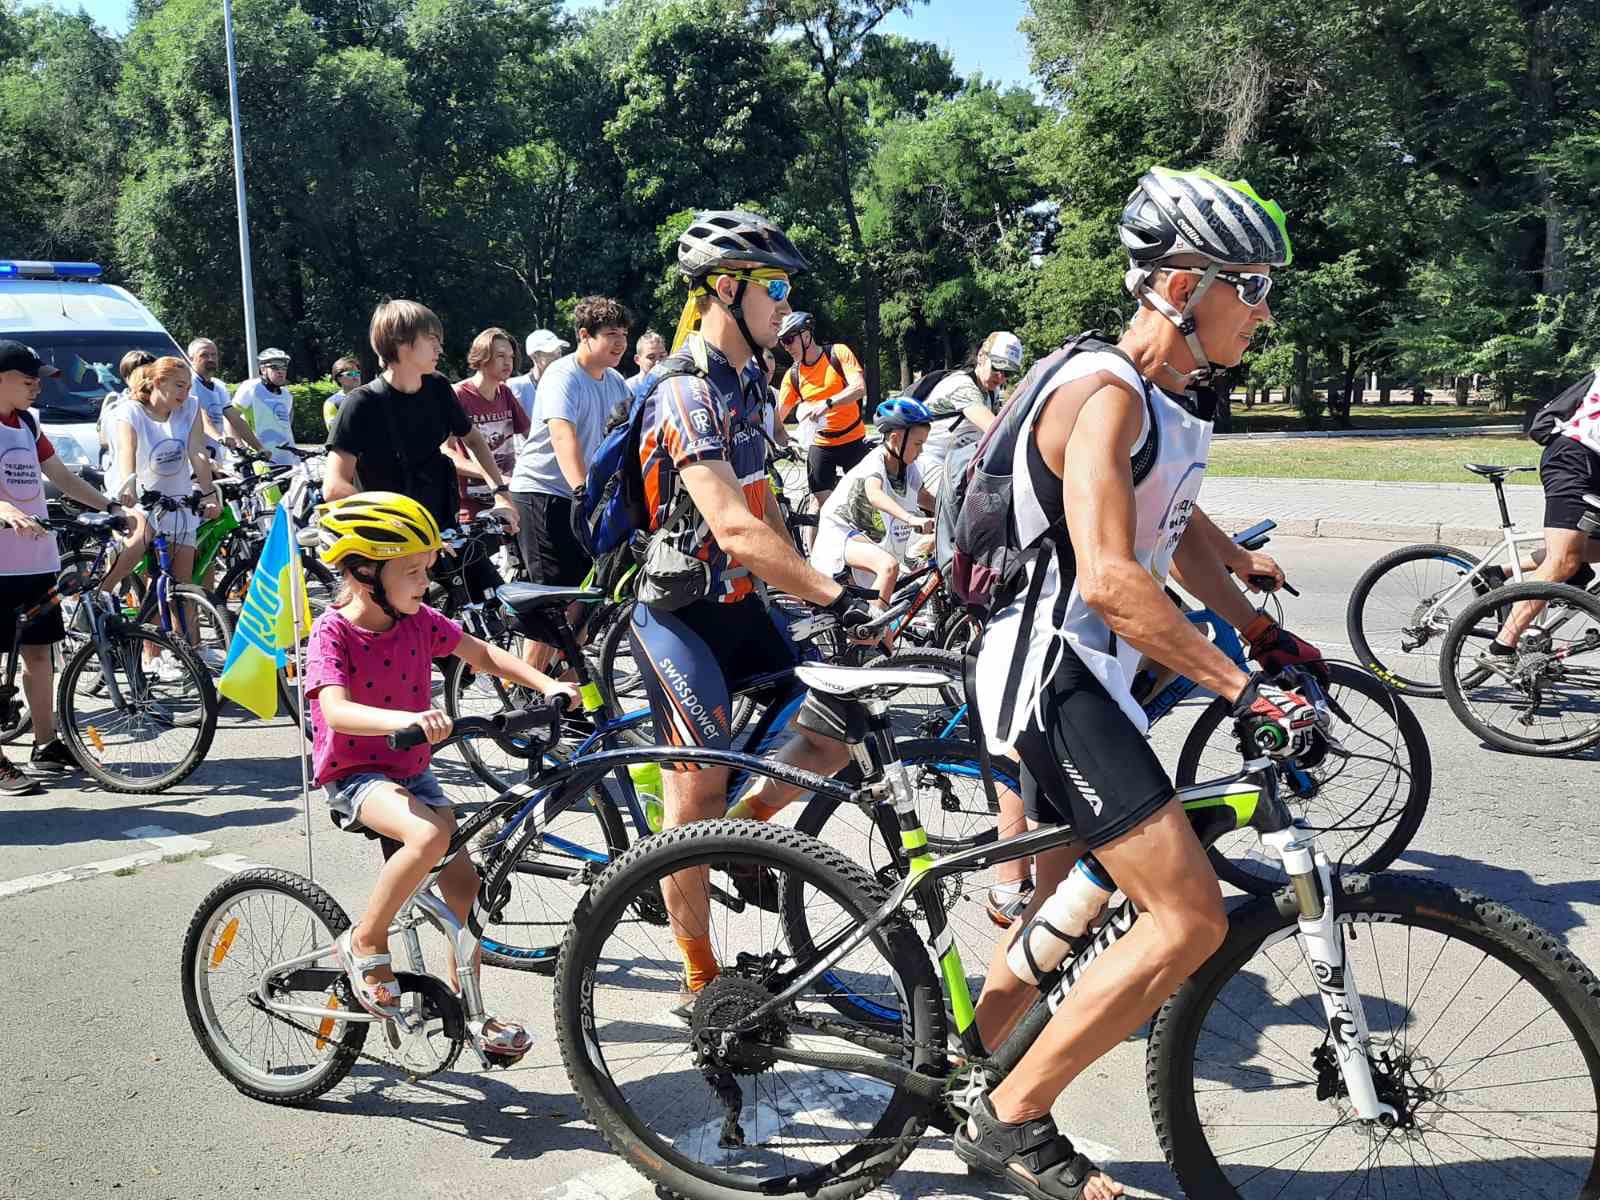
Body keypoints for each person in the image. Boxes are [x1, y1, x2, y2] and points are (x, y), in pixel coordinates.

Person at [957, 168, 1325, 1200]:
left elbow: (1178, 533)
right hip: (1051, 678)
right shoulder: (1102, 395)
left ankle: (960, 1071)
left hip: (1096, 678)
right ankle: (1012, 1116)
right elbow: (1116, 580)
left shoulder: (1164, 398)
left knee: (1080, 901)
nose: (1264, 307)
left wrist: (1259, 635)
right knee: (1187, 917)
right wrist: (1239, 689)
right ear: (1177, 285)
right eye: (1248, 284)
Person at [629, 210, 874, 1013]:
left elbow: (761, 512)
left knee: (836, 730)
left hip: (740, 604)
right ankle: (698, 973)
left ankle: (743, 832)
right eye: (775, 287)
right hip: (680, 617)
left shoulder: (747, 385)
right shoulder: (685, 392)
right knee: (691, 795)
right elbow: (727, 526)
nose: (786, 305)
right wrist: (832, 592)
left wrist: (814, 589)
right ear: (725, 289)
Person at [304, 492, 577, 1054]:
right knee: (428, 835)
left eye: (426, 569)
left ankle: (470, 1012)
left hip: (412, 769)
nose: (423, 583)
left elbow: (483, 654)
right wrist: (403, 718)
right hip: (357, 773)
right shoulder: (333, 632)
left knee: (463, 886)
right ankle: (365, 940)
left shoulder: (420, 621)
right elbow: (335, 709)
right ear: (361, 572)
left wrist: (544, 683)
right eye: (409, 572)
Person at [323, 299, 522, 604]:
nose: (440, 349)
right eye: (432, 340)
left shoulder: (439, 387)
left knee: (499, 603)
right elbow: (334, 486)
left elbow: (473, 439)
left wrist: (500, 492)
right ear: (401, 343)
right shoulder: (361, 404)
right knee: (407, 631)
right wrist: (398, 522)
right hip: (390, 545)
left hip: (444, 529)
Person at [0, 340, 129, 792]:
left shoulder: (29, 424)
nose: (37, 387)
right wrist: (3, 508)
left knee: (40, 654)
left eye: (39, 380)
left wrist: (111, 506)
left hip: (35, 560)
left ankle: (46, 743)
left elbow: (62, 477)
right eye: (28, 379)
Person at [507, 297, 631, 668]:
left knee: (585, 598)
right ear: (584, 336)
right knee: (551, 603)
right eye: (610, 334)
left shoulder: (617, 382)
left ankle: (565, 691)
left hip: (584, 496)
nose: (620, 342)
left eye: (624, 334)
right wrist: (582, 492)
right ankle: (528, 692)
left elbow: (630, 442)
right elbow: (564, 439)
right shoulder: (562, 376)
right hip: (543, 492)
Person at [100, 356, 220, 677]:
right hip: (139, 495)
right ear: (156, 383)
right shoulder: (129, 411)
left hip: (177, 497)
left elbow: (196, 451)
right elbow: (127, 450)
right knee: (141, 539)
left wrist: (208, 492)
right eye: (178, 386)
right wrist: (127, 484)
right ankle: (102, 595)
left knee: (180, 584)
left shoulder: (190, 408)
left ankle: (189, 650)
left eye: (188, 386)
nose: (185, 392)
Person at [1483, 369, 1600, 661]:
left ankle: (1499, 573)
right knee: (1565, 560)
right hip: (1574, 459)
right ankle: (1502, 647)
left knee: (1590, 550)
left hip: (1593, 465)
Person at [809, 397, 934, 606]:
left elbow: (924, 497)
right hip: (839, 534)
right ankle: (870, 636)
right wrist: (911, 518)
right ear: (895, 439)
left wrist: (954, 513)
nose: (921, 450)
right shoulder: (874, 461)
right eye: (917, 444)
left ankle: (878, 629)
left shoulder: (908, 467)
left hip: (866, 538)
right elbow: (874, 494)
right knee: (888, 567)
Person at [775, 311, 868, 506]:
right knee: (819, 505)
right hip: (821, 444)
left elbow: (859, 388)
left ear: (806, 335)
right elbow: (777, 417)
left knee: (863, 501)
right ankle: (817, 537)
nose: (786, 347)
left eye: (789, 340)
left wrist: (827, 404)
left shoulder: (837, 353)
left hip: (853, 439)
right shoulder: (793, 375)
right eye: (782, 342)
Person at [919, 330, 1025, 496]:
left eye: (1008, 373)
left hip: (957, 463)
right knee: (964, 505)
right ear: (981, 356)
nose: (1001, 377)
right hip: (928, 460)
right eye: (997, 367)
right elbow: (996, 430)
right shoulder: (962, 385)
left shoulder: (992, 391)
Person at [445, 328, 529, 524]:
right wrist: (493, 475)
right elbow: (446, 452)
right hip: (469, 509)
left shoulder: (505, 393)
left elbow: (531, 436)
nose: (508, 362)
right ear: (482, 357)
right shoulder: (457, 395)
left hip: (508, 500)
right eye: (500, 356)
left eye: (511, 356)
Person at [187, 338, 265, 460]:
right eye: (204, 355)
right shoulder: (188, 382)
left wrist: (259, 448)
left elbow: (234, 418)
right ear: (191, 358)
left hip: (215, 454)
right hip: (192, 455)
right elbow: (200, 414)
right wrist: (218, 437)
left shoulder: (219, 386)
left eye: (214, 355)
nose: (211, 359)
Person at [231, 348, 300, 468]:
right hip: (263, 460)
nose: (281, 371)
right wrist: (240, 446)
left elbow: (286, 427)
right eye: (275, 367)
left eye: (284, 367)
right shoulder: (251, 387)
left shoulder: (287, 395)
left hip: (288, 459)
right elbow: (230, 418)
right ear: (263, 369)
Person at [506, 329, 569, 425]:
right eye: (552, 353)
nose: (558, 358)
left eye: (559, 352)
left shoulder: (566, 386)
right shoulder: (516, 386)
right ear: (534, 356)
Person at [321, 356, 363, 432]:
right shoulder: (332, 402)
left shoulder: (370, 397)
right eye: (350, 374)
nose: (355, 376)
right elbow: (334, 430)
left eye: (357, 372)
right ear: (339, 378)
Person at [624, 329, 667, 397]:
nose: (658, 362)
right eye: (651, 357)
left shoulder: (672, 385)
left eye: (662, 356)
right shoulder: (628, 388)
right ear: (637, 359)